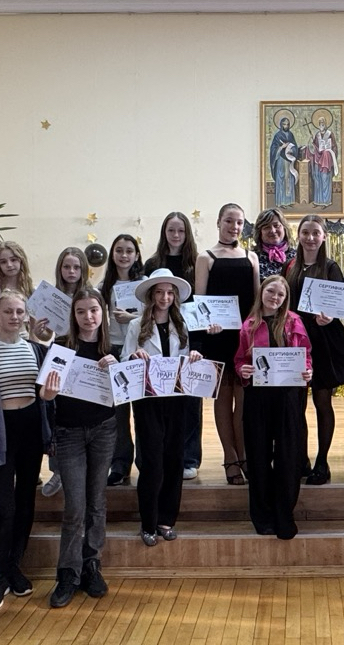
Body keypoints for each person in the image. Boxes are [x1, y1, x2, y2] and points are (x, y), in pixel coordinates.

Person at [0, 290, 54, 611]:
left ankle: (14, 566)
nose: (14, 317)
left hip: (30, 430)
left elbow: (48, 397)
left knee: (26, 503)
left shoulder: (37, 350)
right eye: (8, 312)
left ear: (26, 315)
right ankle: (0, 575)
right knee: (4, 508)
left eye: (19, 311)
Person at [45, 288, 118, 609]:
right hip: (69, 433)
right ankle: (67, 572)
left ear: (103, 313)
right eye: (81, 311)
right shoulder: (61, 346)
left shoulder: (112, 348)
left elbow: (125, 393)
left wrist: (117, 370)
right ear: (73, 316)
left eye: (94, 310)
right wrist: (49, 391)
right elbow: (46, 395)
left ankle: (91, 564)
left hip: (104, 430)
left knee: (97, 502)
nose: (88, 317)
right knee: (75, 506)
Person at [124, 269, 202, 546]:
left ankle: (167, 519)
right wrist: (134, 357)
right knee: (152, 460)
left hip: (177, 399)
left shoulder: (182, 325)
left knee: (174, 458)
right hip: (148, 401)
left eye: (169, 293)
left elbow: (187, 359)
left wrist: (194, 356)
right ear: (151, 295)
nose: (164, 297)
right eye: (159, 292)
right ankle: (148, 522)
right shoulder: (136, 326)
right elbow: (124, 358)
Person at [235, 275, 313, 539]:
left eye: (280, 294)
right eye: (271, 291)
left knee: (288, 455)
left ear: (285, 298)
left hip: (288, 397)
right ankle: (262, 515)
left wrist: (308, 371)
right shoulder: (248, 324)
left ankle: (284, 513)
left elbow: (306, 356)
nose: (275, 298)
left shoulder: (294, 322)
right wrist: (243, 370)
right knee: (258, 456)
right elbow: (239, 360)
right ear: (262, 291)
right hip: (258, 398)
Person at [285, 215, 344, 485]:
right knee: (296, 403)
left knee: (322, 402)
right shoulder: (289, 266)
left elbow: (342, 306)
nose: (310, 238)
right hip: (296, 341)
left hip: (323, 341)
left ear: (324, 236)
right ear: (298, 235)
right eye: (305, 232)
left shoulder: (331, 267)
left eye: (316, 233)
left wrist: (331, 316)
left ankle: (322, 461)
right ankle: (300, 458)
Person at [195, 203, 260, 485]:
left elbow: (256, 302)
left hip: (244, 337)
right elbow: (199, 302)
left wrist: (255, 333)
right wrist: (207, 325)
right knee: (222, 399)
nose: (234, 227)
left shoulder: (251, 256)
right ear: (219, 222)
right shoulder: (205, 257)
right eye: (229, 221)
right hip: (217, 337)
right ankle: (230, 457)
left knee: (243, 401)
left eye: (239, 222)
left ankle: (243, 454)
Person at [141, 212, 202, 481]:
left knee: (189, 402)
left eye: (181, 231)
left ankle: (189, 458)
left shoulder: (196, 263)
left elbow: (203, 300)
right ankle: (154, 459)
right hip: (159, 334)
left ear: (187, 234)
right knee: (155, 403)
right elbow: (145, 303)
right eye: (171, 230)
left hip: (190, 334)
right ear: (164, 233)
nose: (176, 235)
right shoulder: (153, 263)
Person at [41, 246, 91, 497]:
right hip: (60, 354)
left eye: (76, 267)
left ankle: (86, 467)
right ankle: (57, 470)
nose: (71, 271)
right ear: (60, 269)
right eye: (66, 266)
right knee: (56, 413)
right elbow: (45, 335)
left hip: (85, 355)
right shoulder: (52, 296)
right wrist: (40, 331)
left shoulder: (91, 294)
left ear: (83, 269)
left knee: (83, 414)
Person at [98, 234, 144, 486]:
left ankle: (145, 462)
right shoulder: (104, 285)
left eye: (129, 251)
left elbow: (156, 313)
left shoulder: (145, 284)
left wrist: (132, 318)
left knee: (143, 411)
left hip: (140, 350)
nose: (124, 255)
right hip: (115, 349)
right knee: (119, 412)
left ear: (136, 255)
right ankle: (120, 463)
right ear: (112, 254)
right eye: (119, 250)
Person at [253, 207, 297, 280]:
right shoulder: (253, 258)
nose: (273, 231)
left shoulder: (297, 256)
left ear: (284, 228)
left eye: (276, 225)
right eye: (267, 227)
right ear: (260, 232)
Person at [306, 116, 338, 206]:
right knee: (317, 179)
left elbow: (334, 147)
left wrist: (329, 152)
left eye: (323, 123)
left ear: (326, 124)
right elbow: (314, 147)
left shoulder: (330, 134)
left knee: (325, 179)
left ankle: (326, 201)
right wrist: (312, 142)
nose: (321, 125)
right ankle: (318, 201)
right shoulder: (317, 135)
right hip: (318, 159)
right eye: (320, 124)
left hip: (326, 160)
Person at [270, 117, 299, 206]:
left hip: (289, 160)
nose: (286, 126)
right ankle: (281, 202)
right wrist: (281, 147)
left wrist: (292, 150)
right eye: (284, 124)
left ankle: (289, 201)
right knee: (281, 178)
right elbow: (273, 149)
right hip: (281, 161)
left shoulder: (290, 135)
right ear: (281, 125)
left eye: (287, 124)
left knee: (289, 179)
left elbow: (295, 147)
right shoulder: (277, 136)